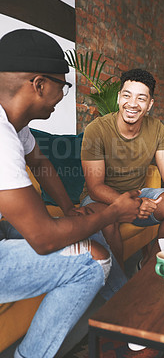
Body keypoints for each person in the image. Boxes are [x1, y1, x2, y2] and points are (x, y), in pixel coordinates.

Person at [0, 29, 141, 358]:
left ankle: (128, 315)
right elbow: (45, 239)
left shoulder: (14, 127)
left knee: (85, 224)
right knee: (93, 260)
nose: (64, 94)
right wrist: (113, 213)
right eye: (63, 85)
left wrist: (68, 208)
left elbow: (41, 162)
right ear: (39, 84)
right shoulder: (1, 138)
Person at [80, 68, 164, 266]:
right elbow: (95, 188)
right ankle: (120, 287)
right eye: (127, 95)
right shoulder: (97, 129)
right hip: (99, 199)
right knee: (107, 220)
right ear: (119, 98)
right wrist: (134, 204)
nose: (132, 104)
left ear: (150, 105)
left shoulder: (156, 128)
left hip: (138, 194)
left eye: (141, 98)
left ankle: (148, 266)